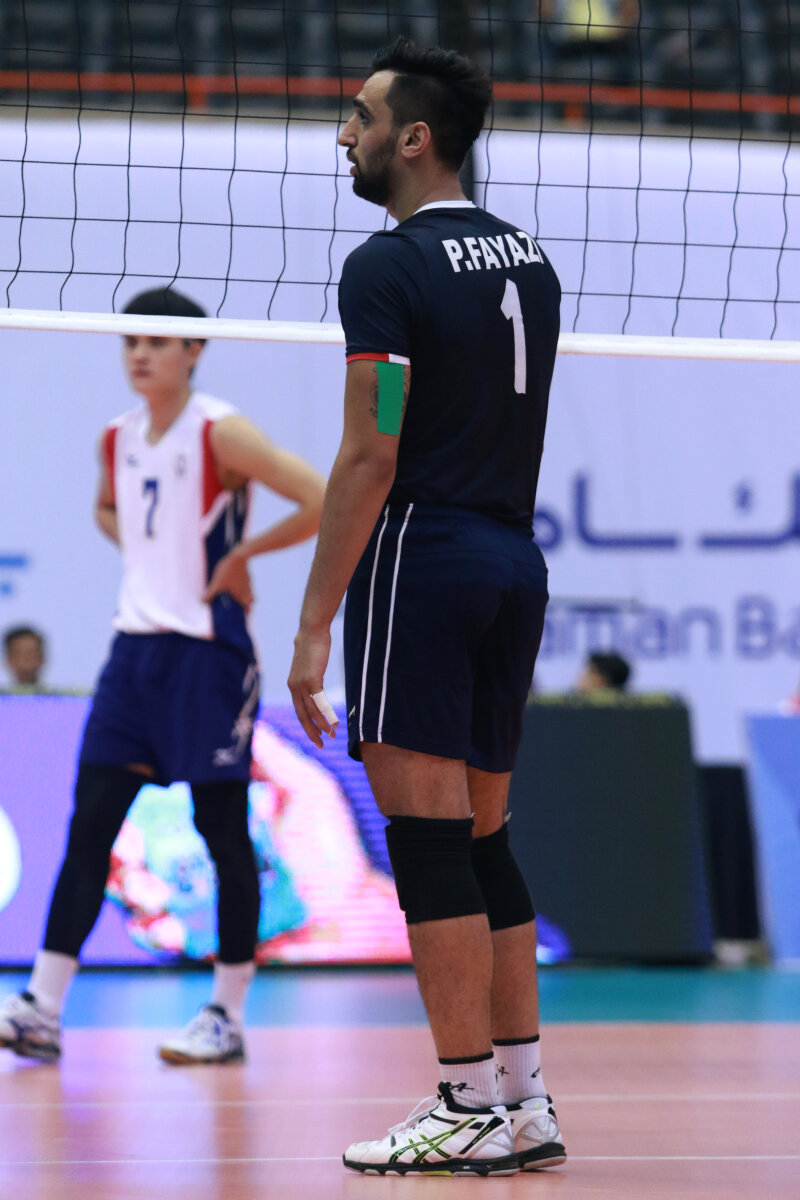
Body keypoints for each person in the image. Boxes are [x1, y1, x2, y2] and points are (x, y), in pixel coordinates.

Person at [288, 38, 565, 1177]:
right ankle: (522, 1100)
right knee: (484, 838)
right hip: (513, 558)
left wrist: (314, 622)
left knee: (427, 841)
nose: (342, 134)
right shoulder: (530, 258)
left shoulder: (386, 266)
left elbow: (371, 450)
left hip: (423, 555)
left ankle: (460, 1102)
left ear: (412, 137)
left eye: (358, 116)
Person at [0, 288, 325, 1065]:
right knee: (90, 826)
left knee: (223, 829)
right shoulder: (116, 436)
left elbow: (319, 497)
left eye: (157, 341)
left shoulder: (220, 430)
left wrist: (241, 555)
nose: (140, 354)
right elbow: (106, 509)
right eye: (131, 342)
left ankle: (228, 1013)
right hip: (133, 656)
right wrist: (151, 556)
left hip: (207, 655)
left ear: (194, 351)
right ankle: (42, 1008)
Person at [2, 625, 48, 691]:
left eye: (33, 654)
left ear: (42, 657)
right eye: (21, 654)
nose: (28, 659)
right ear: (9, 658)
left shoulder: (59, 696)